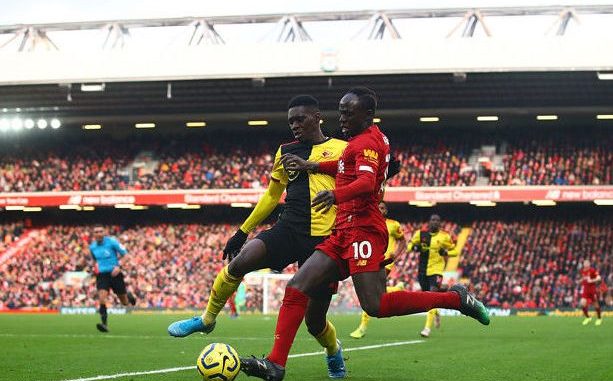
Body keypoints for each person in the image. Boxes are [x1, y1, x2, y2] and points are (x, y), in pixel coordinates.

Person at [240, 87, 490, 381]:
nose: (342, 118)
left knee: (376, 305)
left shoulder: (368, 143)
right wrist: (313, 165)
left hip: (363, 230)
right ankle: (275, 364)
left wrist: (336, 195)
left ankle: (455, 300)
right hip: (344, 229)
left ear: (368, 114)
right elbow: (346, 164)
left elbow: (366, 183)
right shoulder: (361, 140)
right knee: (297, 284)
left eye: (349, 112)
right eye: (341, 111)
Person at [167, 95, 349, 378]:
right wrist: (242, 231)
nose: (295, 125)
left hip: (325, 240)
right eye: (291, 121)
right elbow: (273, 195)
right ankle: (206, 319)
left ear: (317, 116)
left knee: (314, 322)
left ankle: (333, 350)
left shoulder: (342, 149)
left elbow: (360, 188)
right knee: (241, 261)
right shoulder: (286, 151)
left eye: (300, 119)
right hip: (288, 229)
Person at [350, 201, 406, 339]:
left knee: (370, 292)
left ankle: (362, 327)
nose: (380, 210)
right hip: (372, 260)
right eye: (378, 207)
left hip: (385, 262)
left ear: (386, 211)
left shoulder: (393, 225)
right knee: (380, 293)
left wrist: (396, 255)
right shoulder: (370, 222)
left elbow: (403, 241)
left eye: (382, 208)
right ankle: (397, 289)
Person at [409, 214, 457, 338]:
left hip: (437, 270)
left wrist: (446, 252)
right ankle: (436, 312)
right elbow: (409, 246)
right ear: (429, 222)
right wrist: (415, 247)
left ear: (440, 224)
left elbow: (455, 251)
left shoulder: (445, 236)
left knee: (430, 296)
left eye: (437, 220)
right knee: (427, 299)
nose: (435, 222)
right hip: (422, 270)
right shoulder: (420, 234)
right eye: (433, 220)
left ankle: (427, 328)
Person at [89, 224, 136, 332]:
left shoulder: (112, 242)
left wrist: (119, 266)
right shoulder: (92, 247)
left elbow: (126, 255)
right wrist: (93, 268)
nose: (99, 233)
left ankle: (128, 296)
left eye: (100, 231)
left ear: (104, 232)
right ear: (94, 234)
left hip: (115, 274)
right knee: (101, 298)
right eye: (96, 232)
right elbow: (94, 260)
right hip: (102, 275)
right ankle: (104, 324)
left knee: (125, 303)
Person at [580, 259, 602, 326]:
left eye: (587, 263)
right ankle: (588, 317)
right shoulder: (582, 271)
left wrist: (592, 280)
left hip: (592, 291)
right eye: (584, 263)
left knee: (596, 305)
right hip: (585, 291)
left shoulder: (592, 270)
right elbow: (584, 278)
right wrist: (581, 280)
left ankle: (599, 318)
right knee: (582, 304)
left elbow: (599, 278)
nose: (585, 264)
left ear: (589, 264)